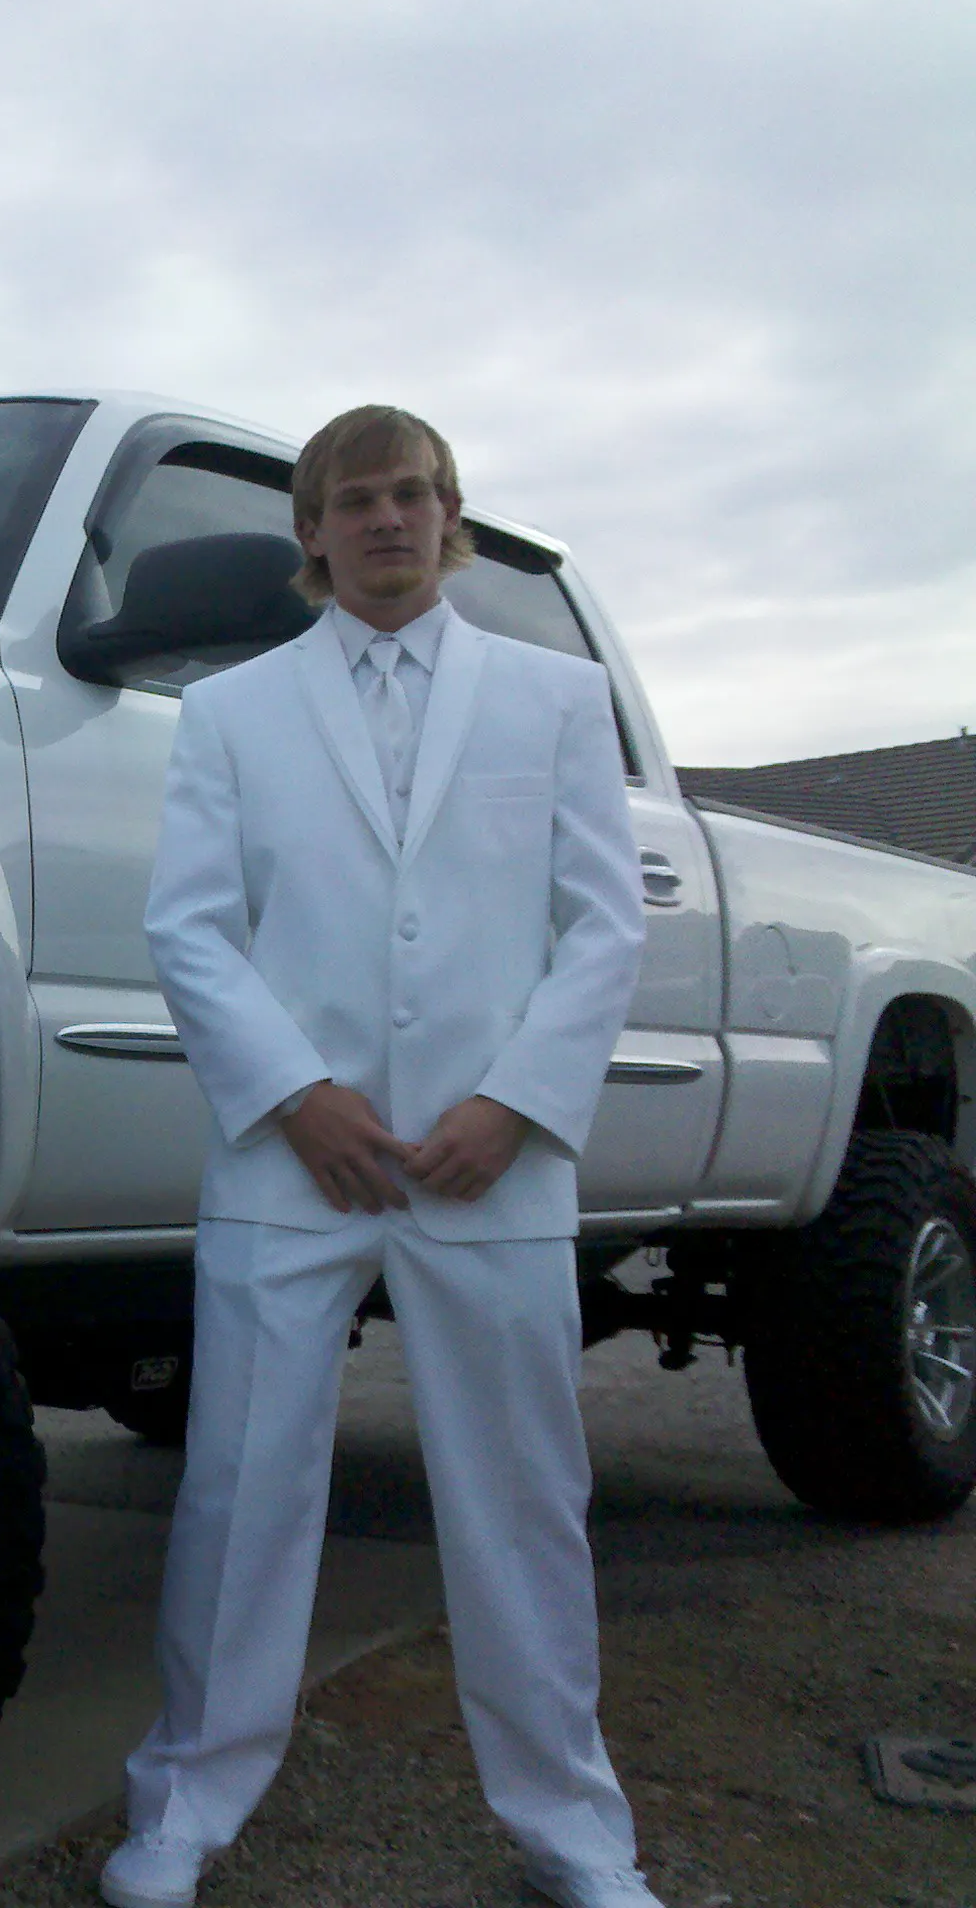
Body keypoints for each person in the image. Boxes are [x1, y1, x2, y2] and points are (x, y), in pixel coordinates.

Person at [98, 407, 660, 1908]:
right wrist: (296, 1094)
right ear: (315, 532)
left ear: (452, 513)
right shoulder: (235, 714)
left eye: (414, 495)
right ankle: (186, 1804)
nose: (391, 521)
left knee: (524, 1496)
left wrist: (521, 1102)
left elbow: (605, 925)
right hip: (299, 1161)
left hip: (496, 1160)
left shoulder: (554, 698)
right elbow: (191, 929)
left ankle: (572, 1830)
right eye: (358, 501)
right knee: (241, 1484)